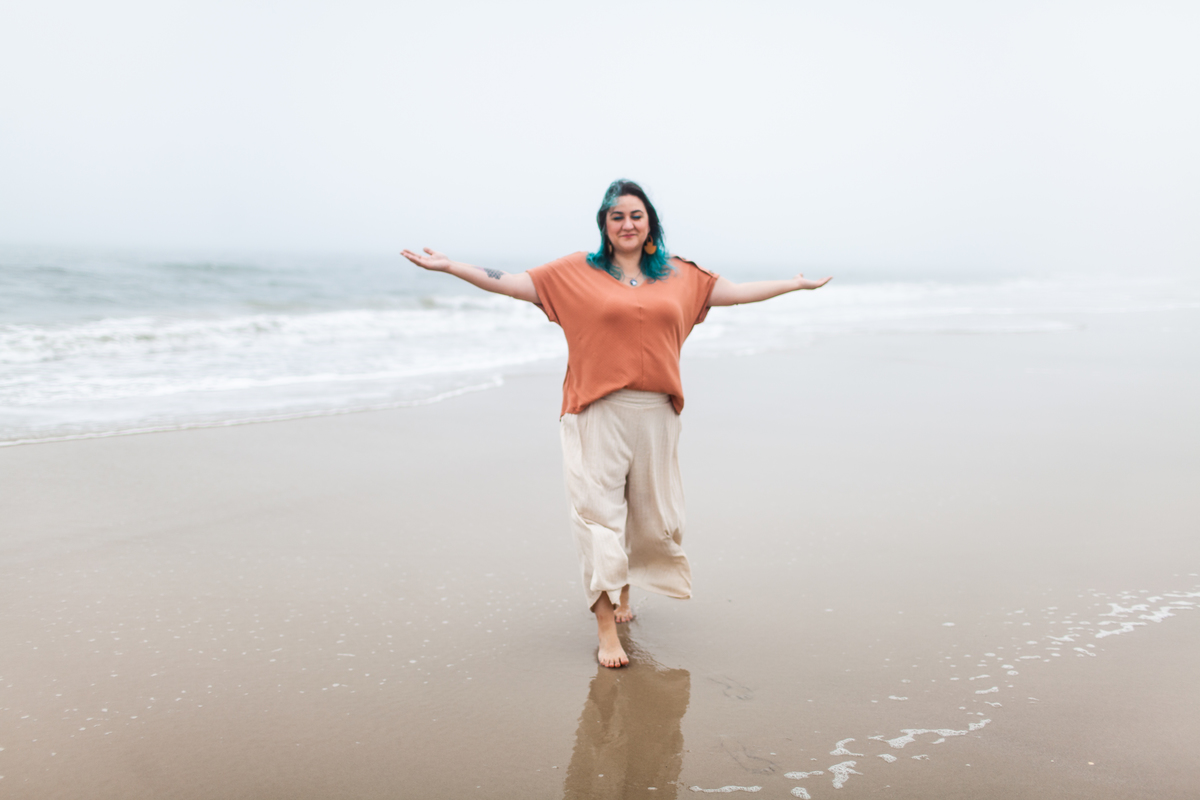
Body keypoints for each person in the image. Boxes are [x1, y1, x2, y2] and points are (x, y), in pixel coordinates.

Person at [402, 179, 830, 668]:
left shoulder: (680, 275)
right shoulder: (575, 271)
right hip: (596, 410)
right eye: (617, 216)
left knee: (652, 519)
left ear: (650, 224)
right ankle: (606, 628)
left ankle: (625, 590)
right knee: (597, 519)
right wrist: (452, 266)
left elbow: (734, 293)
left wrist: (792, 284)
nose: (627, 224)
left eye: (635, 215)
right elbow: (512, 282)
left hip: (658, 414)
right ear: (604, 225)